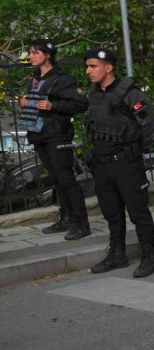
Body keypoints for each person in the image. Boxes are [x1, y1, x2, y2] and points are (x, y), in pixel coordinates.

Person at [83, 48, 154, 278]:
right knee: (112, 213)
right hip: (102, 164)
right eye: (87, 66)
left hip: (126, 164)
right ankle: (117, 255)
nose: (88, 71)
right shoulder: (94, 94)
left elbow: (148, 124)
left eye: (93, 66)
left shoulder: (130, 94)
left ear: (108, 67)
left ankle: (149, 258)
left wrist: (136, 151)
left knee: (138, 212)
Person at [17, 39, 90, 239]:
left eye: (34, 52)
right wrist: (26, 103)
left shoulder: (61, 79)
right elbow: (38, 102)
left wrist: (53, 106)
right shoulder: (35, 78)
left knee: (66, 179)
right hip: (39, 134)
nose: (30, 56)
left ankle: (82, 224)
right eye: (29, 52)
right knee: (57, 180)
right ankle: (67, 219)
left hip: (57, 135)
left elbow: (81, 104)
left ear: (47, 55)